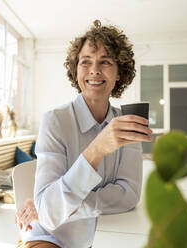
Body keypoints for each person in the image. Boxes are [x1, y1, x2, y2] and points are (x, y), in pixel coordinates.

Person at [15, 20, 152, 248]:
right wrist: (97, 149)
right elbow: (49, 214)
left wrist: (67, 205)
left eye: (105, 61)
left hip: (107, 234)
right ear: (76, 70)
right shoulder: (55, 121)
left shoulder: (125, 124)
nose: (94, 70)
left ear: (119, 73)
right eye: (85, 61)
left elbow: (129, 195)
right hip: (51, 236)